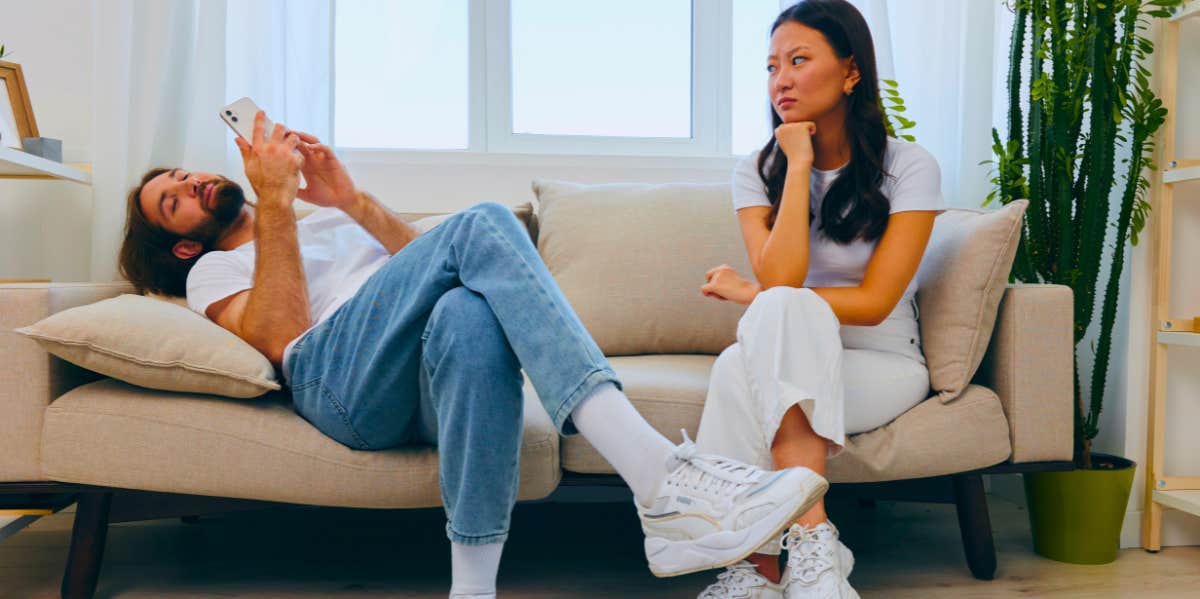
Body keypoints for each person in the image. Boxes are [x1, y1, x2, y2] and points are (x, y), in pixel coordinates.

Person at [117, 111, 830, 599]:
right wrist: (275, 203)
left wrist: (349, 199)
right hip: (338, 386)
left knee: (466, 311)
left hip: (415, 377)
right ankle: (657, 475)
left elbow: (429, 260)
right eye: (172, 202)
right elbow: (282, 336)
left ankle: (473, 587)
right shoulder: (214, 271)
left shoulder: (325, 216)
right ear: (182, 243)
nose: (189, 185)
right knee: (481, 221)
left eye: (181, 176)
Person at [693, 1, 945, 598]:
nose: (781, 78)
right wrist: (799, 163)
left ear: (851, 71)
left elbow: (878, 301)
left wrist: (752, 294)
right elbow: (783, 279)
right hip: (786, 348)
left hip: (880, 364)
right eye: (772, 65)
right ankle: (806, 553)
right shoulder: (758, 171)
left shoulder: (908, 167)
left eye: (799, 60)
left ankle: (756, 565)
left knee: (757, 339)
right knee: (743, 356)